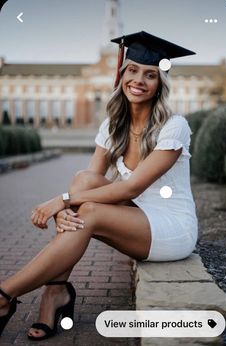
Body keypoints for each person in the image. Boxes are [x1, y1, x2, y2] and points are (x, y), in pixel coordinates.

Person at [0, 31, 198, 340]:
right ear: (122, 75)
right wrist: (70, 202)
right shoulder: (112, 125)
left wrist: (62, 202)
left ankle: (5, 294)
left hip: (170, 227)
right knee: (82, 183)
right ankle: (54, 294)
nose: (139, 80)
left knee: (85, 209)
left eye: (150, 75)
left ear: (161, 84)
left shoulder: (174, 126)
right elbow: (86, 184)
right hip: (136, 216)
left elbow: (130, 189)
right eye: (132, 70)